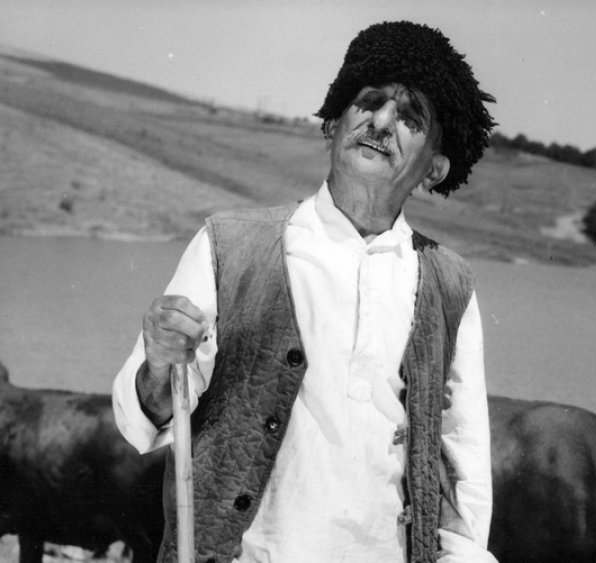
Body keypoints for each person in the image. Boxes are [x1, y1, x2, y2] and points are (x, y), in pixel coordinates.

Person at [112, 20, 497, 563]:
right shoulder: (230, 245)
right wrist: (158, 362)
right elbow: (147, 416)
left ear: (434, 169)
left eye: (411, 117)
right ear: (334, 123)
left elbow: (463, 462)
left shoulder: (449, 284)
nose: (381, 122)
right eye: (369, 102)